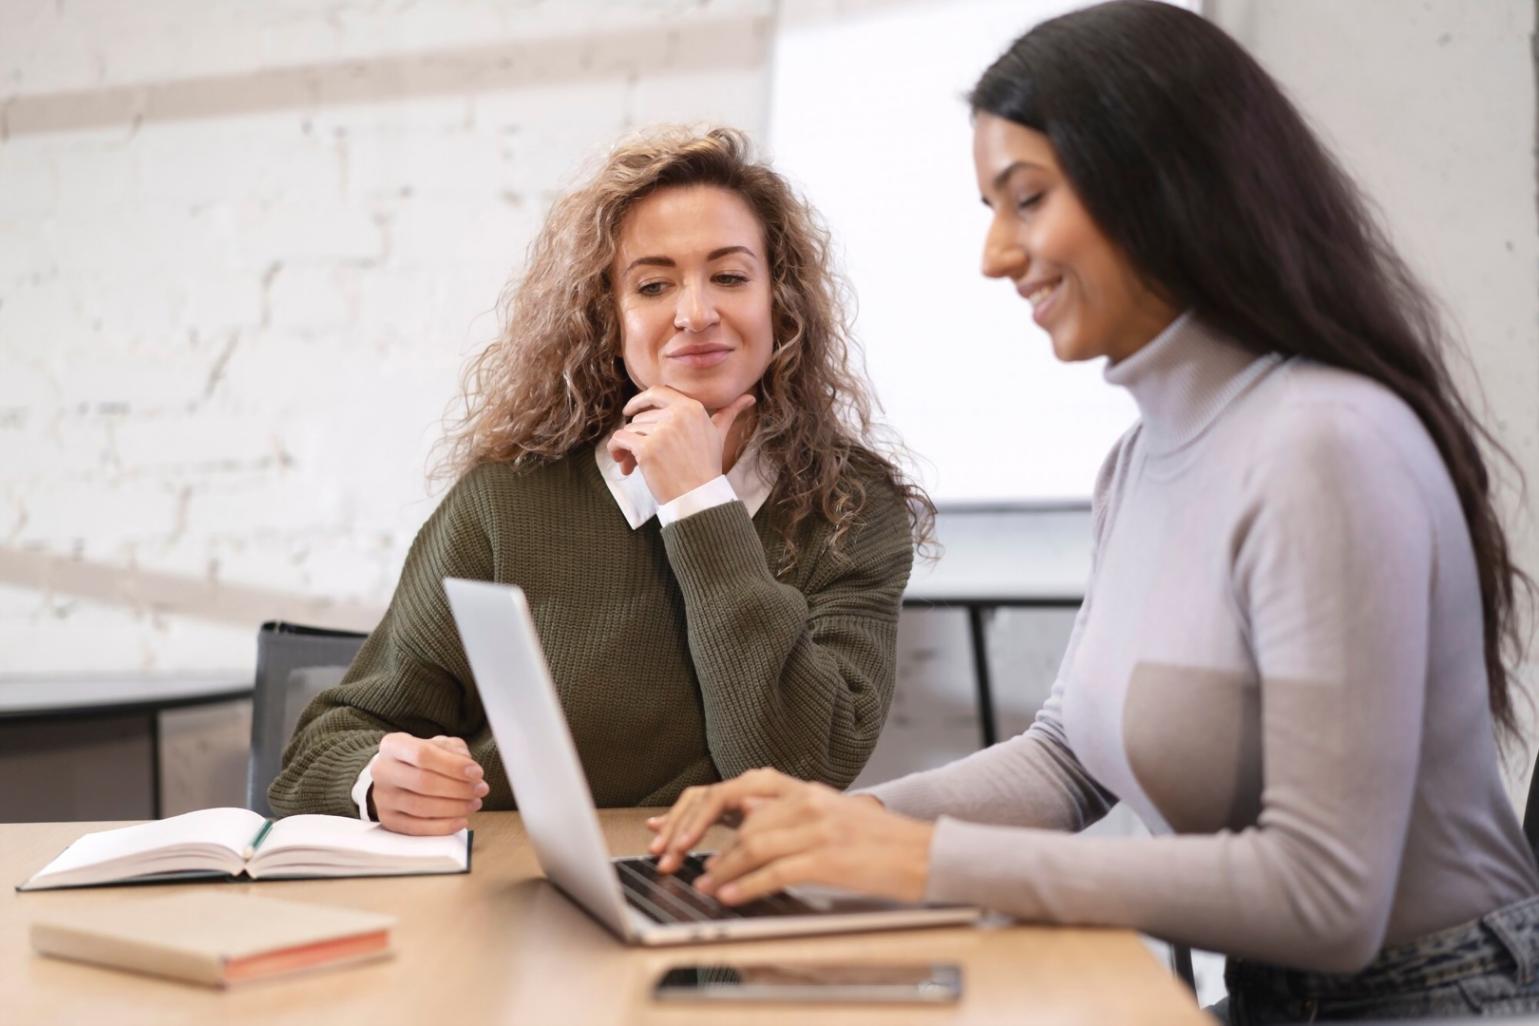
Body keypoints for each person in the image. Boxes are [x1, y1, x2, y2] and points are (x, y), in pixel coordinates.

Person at [645, 3, 1539, 1019]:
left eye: (1026, 200)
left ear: (1163, 185)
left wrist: (926, 859)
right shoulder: (1140, 461)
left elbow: (1328, 895)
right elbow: (1070, 760)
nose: (994, 253)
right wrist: (829, 823)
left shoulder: (1328, 443)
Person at [268, 126, 930, 838]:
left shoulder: (850, 507)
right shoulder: (508, 499)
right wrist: (378, 779)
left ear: (782, 301)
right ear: (608, 317)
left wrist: (698, 501)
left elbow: (798, 769)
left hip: (719, 901)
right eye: (653, 285)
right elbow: (320, 752)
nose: (695, 313)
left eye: (730, 277)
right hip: (512, 899)